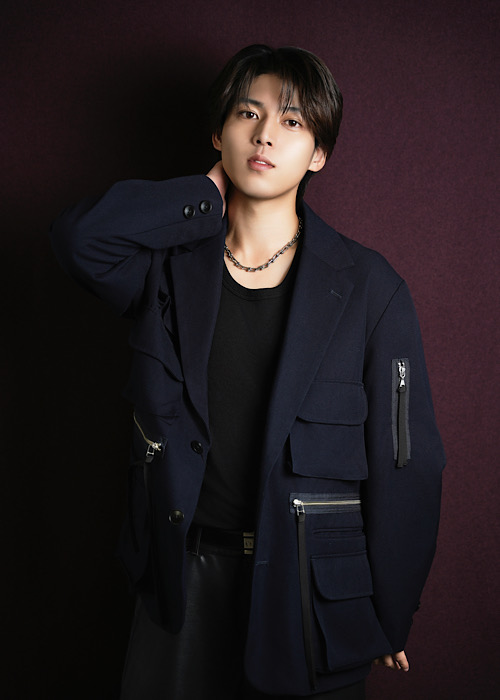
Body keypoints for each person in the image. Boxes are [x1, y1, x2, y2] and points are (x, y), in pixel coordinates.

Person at [50, 44, 445, 699]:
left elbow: (408, 464)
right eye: (248, 113)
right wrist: (203, 195)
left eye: (292, 121)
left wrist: (390, 609)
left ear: (318, 153)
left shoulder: (369, 288)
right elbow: (77, 241)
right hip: (179, 585)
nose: (265, 135)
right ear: (219, 133)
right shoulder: (164, 270)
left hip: (309, 598)